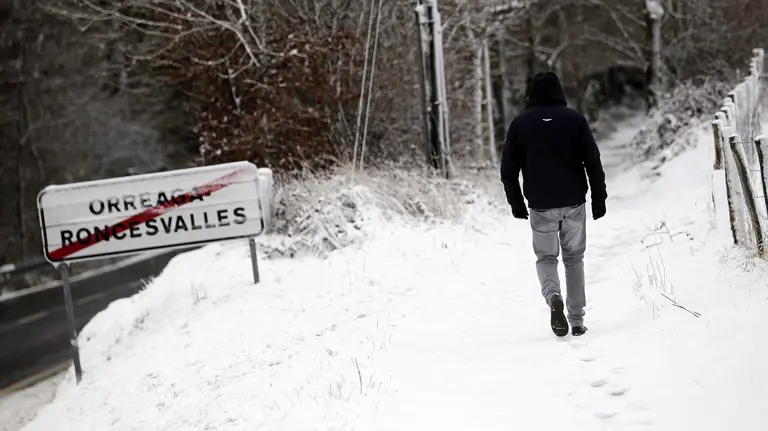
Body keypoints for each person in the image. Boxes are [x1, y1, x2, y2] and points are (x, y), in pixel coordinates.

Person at [500, 71, 607, 338]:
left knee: (547, 258)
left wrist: (516, 202)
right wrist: (599, 197)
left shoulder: (520, 124)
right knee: (574, 259)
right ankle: (577, 320)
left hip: (541, 205)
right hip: (573, 202)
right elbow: (592, 160)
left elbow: (508, 170)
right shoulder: (574, 120)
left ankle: (553, 296)